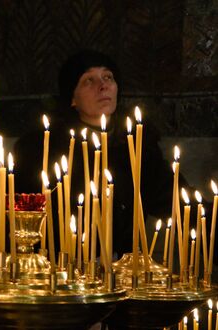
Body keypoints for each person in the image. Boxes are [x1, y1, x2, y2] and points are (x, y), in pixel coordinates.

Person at [14, 49, 187, 258]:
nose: (103, 85)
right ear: (72, 98)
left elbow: (176, 201)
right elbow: (25, 216)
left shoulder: (138, 145)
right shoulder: (43, 149)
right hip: (62, 269)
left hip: (120, 272)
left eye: (108, 77)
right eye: (88, 80)